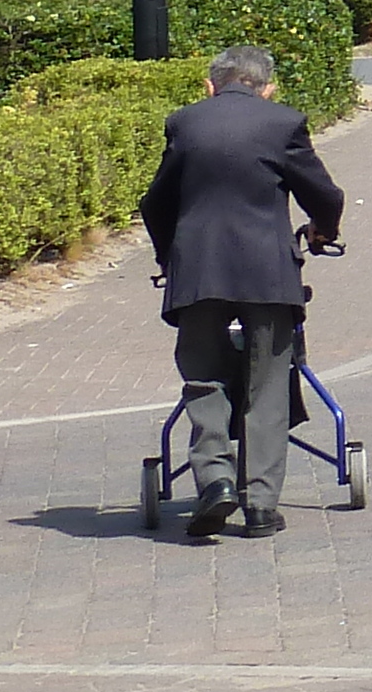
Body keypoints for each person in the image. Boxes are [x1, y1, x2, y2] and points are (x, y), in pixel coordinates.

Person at [138, 42, 345, 542]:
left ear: (211, 85)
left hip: (199, 273)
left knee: (204, 378)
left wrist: (169, 256)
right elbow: (324, 195)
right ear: (267, 88)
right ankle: (259, 507)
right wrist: (323, 230)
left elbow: (156, 203)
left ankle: (214, 482)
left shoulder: (184, 123)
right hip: (266, 275)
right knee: (267, 385)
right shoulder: (283, 123)